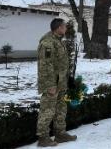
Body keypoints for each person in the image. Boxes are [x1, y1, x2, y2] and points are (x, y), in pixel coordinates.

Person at [36, 18, 77, 147]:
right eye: (64, 27)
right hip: (52, 83)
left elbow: (61, 63)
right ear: (58, 28)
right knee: (47, 109)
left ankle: (60, 134)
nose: (66, 29)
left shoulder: (59, 41)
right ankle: (43, 138)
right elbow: (45, 66)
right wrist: (50, 85)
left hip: (61, 82)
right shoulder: (48, 43)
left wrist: (68, 78)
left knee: (61, 108)